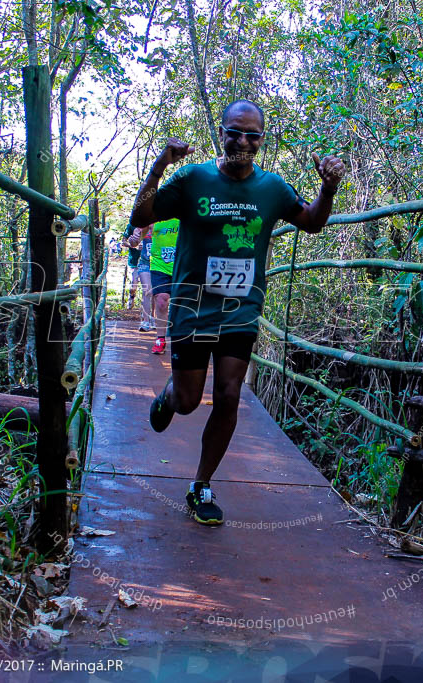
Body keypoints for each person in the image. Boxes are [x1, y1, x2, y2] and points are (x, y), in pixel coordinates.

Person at [129, 99, 345, 525]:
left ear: (262, 140)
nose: (243, 141)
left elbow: (312, 222)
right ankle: (170, 397)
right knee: (189, 402)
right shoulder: (193, 178)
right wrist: (159, 165)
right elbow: (141, 215)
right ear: (222, 134)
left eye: (252, 134)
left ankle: (201, 485)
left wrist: (328, 189)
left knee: (229, 394)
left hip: (241, 307)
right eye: (235, 132)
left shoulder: (272, 188)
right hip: (192, 305)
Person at [131, 218, 179, 354]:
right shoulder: (154, 217)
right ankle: (160, 339)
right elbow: (135, 240)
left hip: (182, 264)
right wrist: (134, 238)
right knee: (161, 301)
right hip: (159, 265)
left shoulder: (185, 211)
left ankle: (183, 338)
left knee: (182, 303)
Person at [123, 223, 154, 332]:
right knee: (147, 291)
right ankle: (145, 321)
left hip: (160, 263)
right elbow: (131, 242)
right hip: (143, 263)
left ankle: (153, 316)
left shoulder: (166, 223)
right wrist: (134, 242)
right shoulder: (140, 226)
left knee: (157, 293)